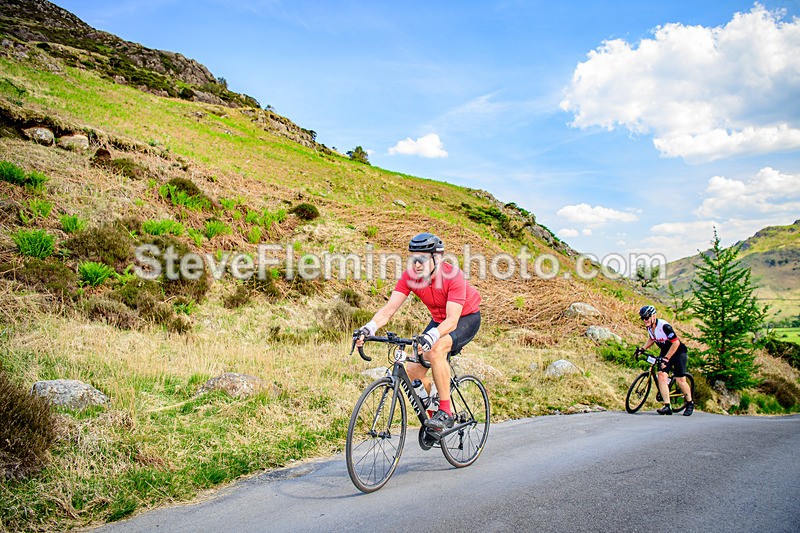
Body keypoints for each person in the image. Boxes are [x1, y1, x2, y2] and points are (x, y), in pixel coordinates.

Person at [356, 232, 482, 430]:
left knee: (435, 349)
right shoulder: (410, 277)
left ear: (436, 258)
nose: (417, 265)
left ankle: (446, 411)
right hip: (439, 320)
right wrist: (368, 328)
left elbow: (452, 320)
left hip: (465, 318)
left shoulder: (453, 276)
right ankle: (433, 418)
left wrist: (431, 337)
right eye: (414, 259)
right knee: (413, 368)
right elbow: (389, 310)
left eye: (422, 259)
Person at [638, 305, 694, 416]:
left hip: (678, 352)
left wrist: (666, 358)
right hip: (665, 351)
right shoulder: (649, 327)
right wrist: (642, 349)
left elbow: (676, 343)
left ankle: (690, 403)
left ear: (653, 316)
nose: (645, 320)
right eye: (642, 318)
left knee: (680, 380)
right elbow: (652, 338)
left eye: (647, 317)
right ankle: (667, 406)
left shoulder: (664, 326)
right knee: (661, 375)